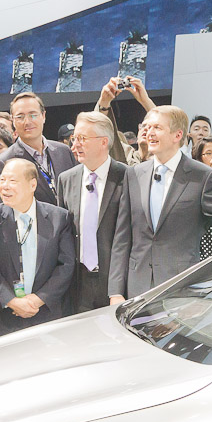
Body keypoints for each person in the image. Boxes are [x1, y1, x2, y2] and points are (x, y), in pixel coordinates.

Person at [108, 105, 212, 302]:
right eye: (146, 127)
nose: (148, 132)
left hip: (180, 288)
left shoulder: (202, 176)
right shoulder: (134, 174)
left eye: (157, 127)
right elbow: (122, 237)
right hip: (137, 288)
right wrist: (115, 291)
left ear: (177, 135)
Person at [0, 158, 75, 335]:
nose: (5, 186)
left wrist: (38, 299)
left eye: (12, 180)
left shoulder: (59, 218)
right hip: (5, 318)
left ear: (32, 185)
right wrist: (12, 301)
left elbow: (66, 265)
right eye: (2, 179)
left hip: (49, 314)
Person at [56, 112, 128, 313]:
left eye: (82, 139)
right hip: (78, 284)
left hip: (115, 284)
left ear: (103, 142)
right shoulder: (66, 179)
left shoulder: (127, 176)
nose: (75, 145)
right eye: (74, 139)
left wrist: (118, 287)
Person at [0, 92, 76, 206]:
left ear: (43, 116)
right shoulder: (4, 162)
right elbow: (9, 207)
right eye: (20, 117)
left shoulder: (64, 151)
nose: (27, 122)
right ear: (13, 121)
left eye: (33, 115)